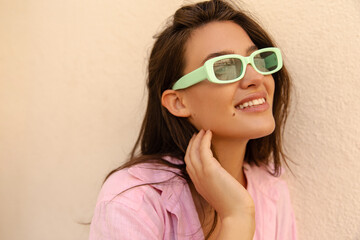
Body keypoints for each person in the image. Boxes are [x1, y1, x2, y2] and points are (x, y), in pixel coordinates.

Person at [89, 0, 297, 239]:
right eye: (224, 67)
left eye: (257, 60)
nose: (256, 77)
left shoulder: (272, 190)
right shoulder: (132, 199)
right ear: (178, 102)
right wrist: (237, 216)